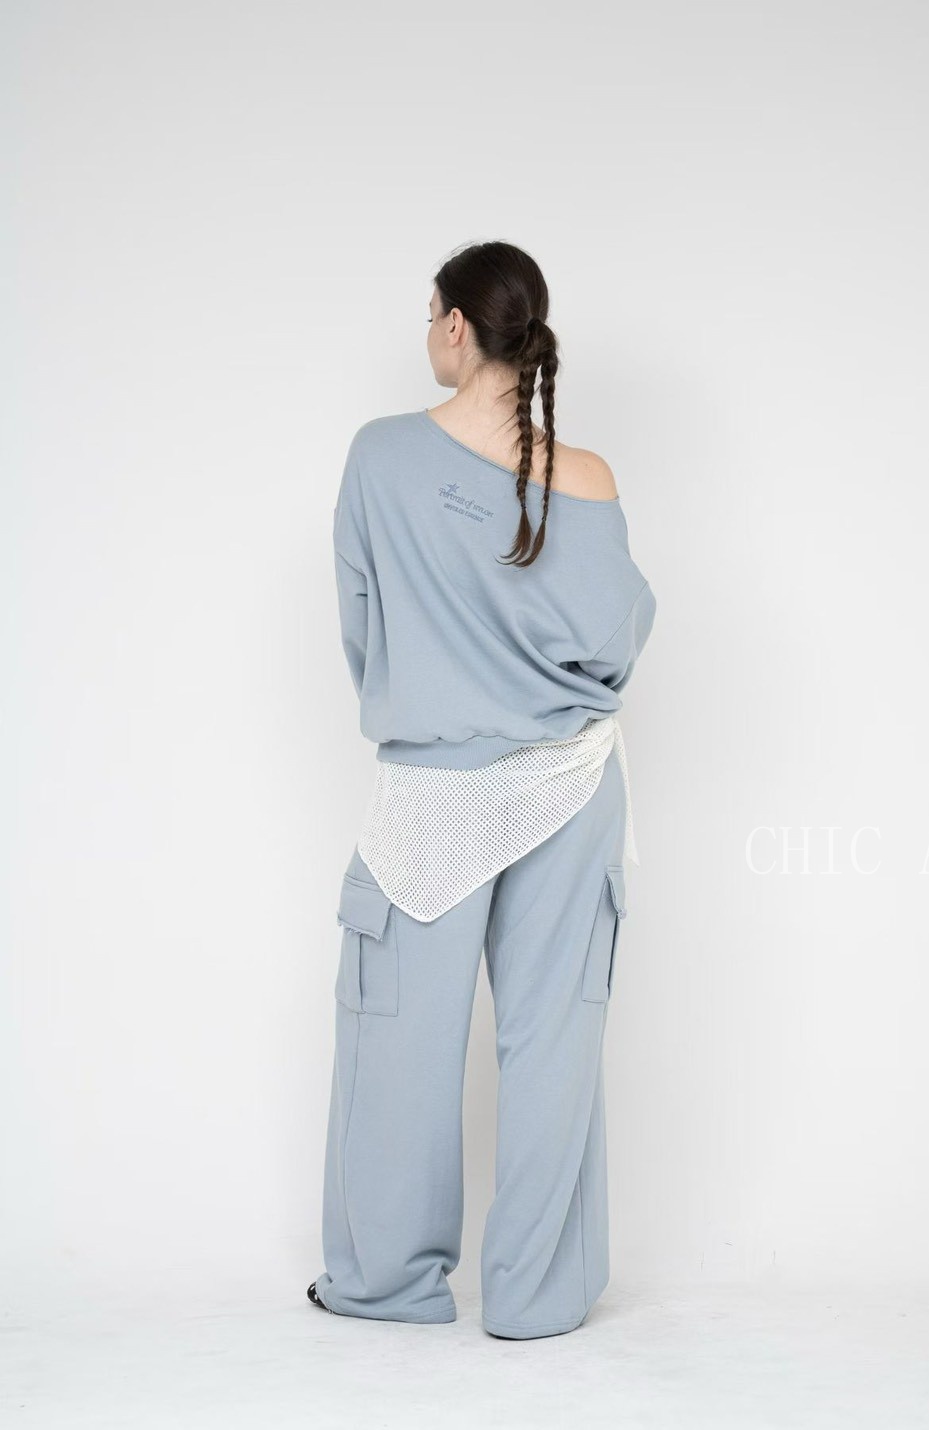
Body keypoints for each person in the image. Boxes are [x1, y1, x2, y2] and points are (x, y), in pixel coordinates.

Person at [307, 240, 657, 1340]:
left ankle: (386, 1284)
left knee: (398, 1034)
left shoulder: (380, 456)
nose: (428, 332)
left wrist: (429, 697)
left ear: (458, 326)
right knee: (554, 1039)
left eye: (430, 314)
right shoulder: (587, 476)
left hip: (433, 786)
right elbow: (618, 638)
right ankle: (536, 1297)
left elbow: (363, 623)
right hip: (570, 784)